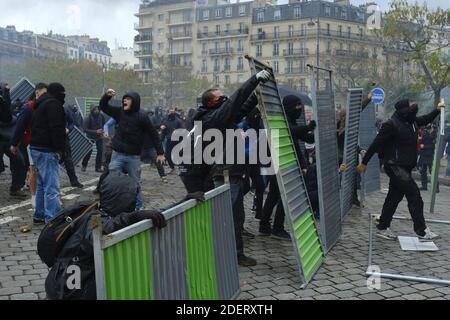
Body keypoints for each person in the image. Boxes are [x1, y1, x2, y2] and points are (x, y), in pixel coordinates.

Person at [181, 70, 271, 267]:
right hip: (224, 173)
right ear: (211, 102)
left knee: (237, 217)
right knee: (222, 217)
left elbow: (240, 108)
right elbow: (234, 102)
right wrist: (254, 80)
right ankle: (213, 255)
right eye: (220, 97)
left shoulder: (221, 116)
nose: (225, 98)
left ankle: (237, 254)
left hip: (233, 172)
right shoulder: (210, 118)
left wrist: (256, 96)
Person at [43, 170, 167, 300]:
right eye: (132, 199)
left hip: (74, 283)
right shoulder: (95, 218)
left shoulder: (105, 213)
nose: (134, 205)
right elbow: (95, 236)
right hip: (68, 289)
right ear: (124, 199)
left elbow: (157, 216)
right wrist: (132, 217)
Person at [358, 99, 445, 240]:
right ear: (403, 109)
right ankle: (421, 231)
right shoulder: (391, 124)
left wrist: (437, 109)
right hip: (395, 166)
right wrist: (364, 162)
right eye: (411, 104)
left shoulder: (412, 122)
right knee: (415, 196)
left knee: (393, 197)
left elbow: (426, 118)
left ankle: (383, 226)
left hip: (405, 166)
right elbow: (376, 144)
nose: (414, 106)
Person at [99, 89, 165, 210]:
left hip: (133, 157)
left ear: (134, 102)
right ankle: (114, 206)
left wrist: (160, 153)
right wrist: (106, 97)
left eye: (128, 99)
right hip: (117, 154)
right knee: (113, 181)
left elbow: (154, 134)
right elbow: (103, 107)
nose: (124, 100)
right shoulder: (120, 112)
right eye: (124, 98)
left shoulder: (142, 117)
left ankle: (139, 208)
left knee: (135, 183)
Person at [30, 83, 67, 224]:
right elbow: (56, 129)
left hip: (36, 148)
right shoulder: (54, 105)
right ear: (58, 93)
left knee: (41, 185)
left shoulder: (41, 104)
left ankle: (39, 214)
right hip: (47, 150)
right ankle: (53, 220)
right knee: (52, 187)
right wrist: (61, 149)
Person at [9, 83, 49, 205]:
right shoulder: (30, 107)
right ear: (36, 93)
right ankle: (34, 197)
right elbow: (19, 126)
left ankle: (45, 195)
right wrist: (14, 144)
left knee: (46, 170)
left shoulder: (49, 106)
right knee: (33, 169)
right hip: (32, 143)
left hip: (47, 144)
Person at [0, 82, 28, 199]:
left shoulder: (4, 101)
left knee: (20, 161)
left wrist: (6, 93)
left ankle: (16, 188)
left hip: (5, 136)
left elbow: (7, 113)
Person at [63, 106, 83, 188]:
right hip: (50, 140)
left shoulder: (65, 109)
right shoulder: (47, 106)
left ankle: (74, 181)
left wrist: (68, 129)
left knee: (68, 161)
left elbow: (72, 122)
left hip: (64, 139)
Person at [82, 105, 106, 173]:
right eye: (95, 110)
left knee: (100, 151)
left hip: (99, 137)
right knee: (89, 152)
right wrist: (95, 131)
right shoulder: (88, 117)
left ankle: (98, 168)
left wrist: (103, 131)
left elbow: (104, 124)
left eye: (97, 109)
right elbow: (85, 129)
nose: (97, 111)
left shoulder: (101, 116)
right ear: (92, 110)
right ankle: (84, 164)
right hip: (90, 137)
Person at [160, 108, 185, 174]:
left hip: (177, 141)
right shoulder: (165, 121)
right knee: (167, 155)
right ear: (168, 113)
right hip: (169, 140)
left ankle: (181, 169)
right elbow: (163, 131)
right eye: (170, 112)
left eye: (172, 112)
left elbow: (183, 130)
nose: (171, 113)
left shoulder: (178, 121)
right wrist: (161, 139)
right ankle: (172, 167)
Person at [418, 124, 438, 191]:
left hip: (430, 155)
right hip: (424, 155)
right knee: (423, 171)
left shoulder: (434, 134)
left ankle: (436, 187)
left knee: (432, 171)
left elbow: (433, 146)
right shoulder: (424, 133)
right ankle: (424, 186)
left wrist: (423, 146)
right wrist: (420, 142)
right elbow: (420, 143)